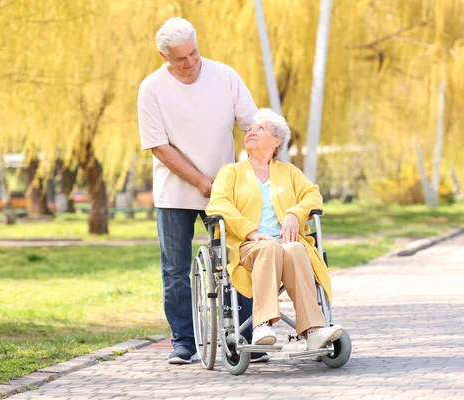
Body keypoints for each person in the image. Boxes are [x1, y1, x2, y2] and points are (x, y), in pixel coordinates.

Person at [137, 17, 266, 364]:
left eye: (193, 52)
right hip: (174, 194)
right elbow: (159, 147)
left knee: (236, 260)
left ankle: (241, 338)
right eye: (181, 58)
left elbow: (252, 125)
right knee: (175, 269)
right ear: (164, 56)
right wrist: (199, 181)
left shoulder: (225, 76)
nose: (190, 62)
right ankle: (184, 341)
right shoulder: (151, 89)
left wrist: (257, 164)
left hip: (224, 192)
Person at [206, 109, 344, 349]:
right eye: (250, 129)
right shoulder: (232, 172)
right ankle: (262, 325)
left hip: (285, 244)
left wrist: (294, 214)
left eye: (260, 128)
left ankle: (313, 330)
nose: (251, 131)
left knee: (295, 248)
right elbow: (218, 204)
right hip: (247, 246)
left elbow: (313, 196)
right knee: (269, 247)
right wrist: (250, 231)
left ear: (277, 140)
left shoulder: (289, 172)